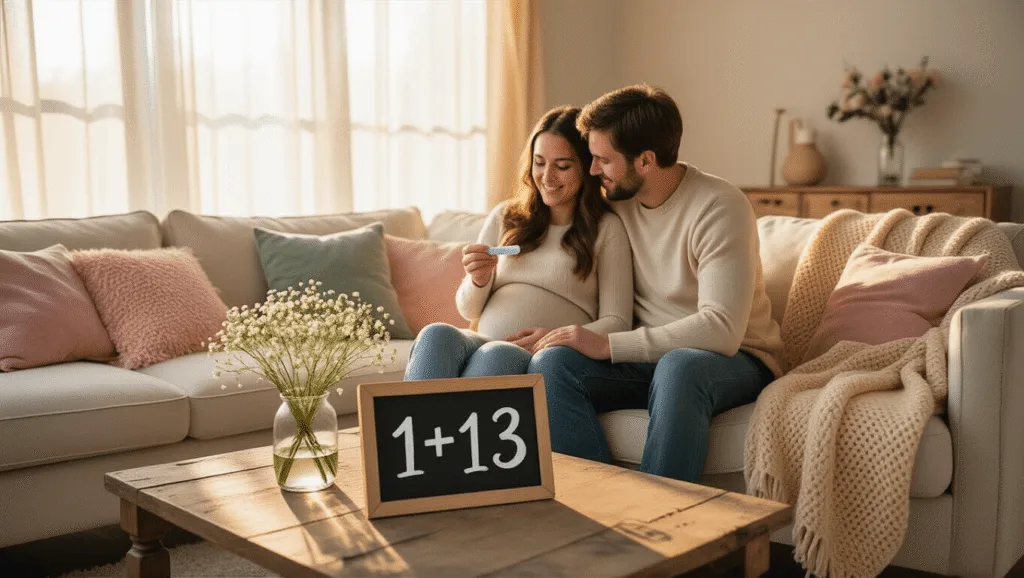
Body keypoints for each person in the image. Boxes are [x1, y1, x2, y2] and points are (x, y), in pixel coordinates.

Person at [526, 84, 784, 483]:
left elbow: (721, 329)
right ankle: (604, 511)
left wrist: (608, 345)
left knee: (679, 367)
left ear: (645, 160)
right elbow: (549, 220)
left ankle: (658, 524)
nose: (593, 171)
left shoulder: (719, 206)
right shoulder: (613, 199)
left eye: (602, 160)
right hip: (649, 358)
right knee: (552, 363)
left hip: (733, 360)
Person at [404, 106, 634, 381]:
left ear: (586, 168)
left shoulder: (606, 229)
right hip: (484, 341)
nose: (547, 177)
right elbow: (468, 310)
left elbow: (618, 322)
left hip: (537, 354)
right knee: (435, 335)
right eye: (539, 163)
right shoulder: (506, 216)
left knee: (498, 356)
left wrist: (557, 336)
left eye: (562, 166)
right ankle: (412, 423)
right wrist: (478, 279)